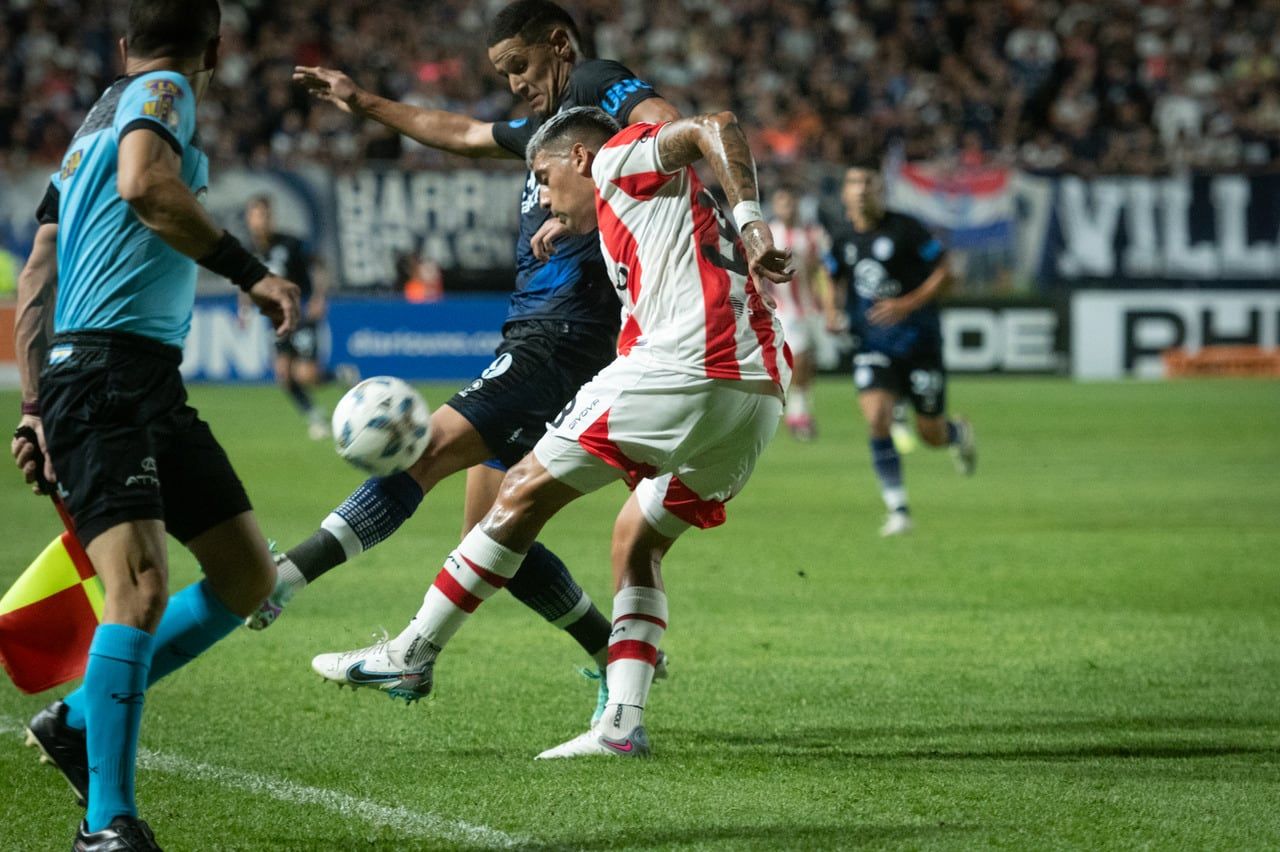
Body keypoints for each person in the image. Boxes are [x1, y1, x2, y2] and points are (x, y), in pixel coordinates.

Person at [313, 106, 792, 759]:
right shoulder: (647, 207)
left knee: (518, 491)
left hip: (686, 362)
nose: (538, 194)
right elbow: (646, 224)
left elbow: (717, 123)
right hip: (758, 392)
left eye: (543, 175)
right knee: (636, 541)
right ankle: (621, 726)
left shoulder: (623, 153)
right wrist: (573, 222)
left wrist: (754, 222)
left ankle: (412, 652)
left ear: (581, 159)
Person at [252, 0, 680, 721]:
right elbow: (462, 132)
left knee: (423, 453)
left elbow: (668, 125)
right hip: (549, 338)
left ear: (560, 45)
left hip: (560, 338)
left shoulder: (596, 89)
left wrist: (607, 194)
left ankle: (281, 580)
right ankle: (612, 652)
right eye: (503, 71)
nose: (513, 83)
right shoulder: (550, 129)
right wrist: (365, 103)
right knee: (490, 538)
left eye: (520, 65)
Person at [9, 1, 300, 849]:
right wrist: (251, 274)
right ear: (217, 47)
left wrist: (33, 406)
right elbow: (148, 187)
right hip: (104, 377)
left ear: (126, 43)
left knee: (248, 577)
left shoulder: (85, 135)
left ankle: (74, 723)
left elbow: (37, 277)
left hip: (131, 382)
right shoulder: (165, 94)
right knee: (135, 591)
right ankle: (107, 827)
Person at [823, 162, 976, 537]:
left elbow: (946, 269)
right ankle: (899, 509)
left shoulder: (906, 228)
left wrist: (907, 304)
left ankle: (957, 433)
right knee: (877, 417)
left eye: (868, 182)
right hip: (872, 344)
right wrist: (830, 309)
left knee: (930, 434)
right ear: (845, 193)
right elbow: (830, 274)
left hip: (920, 343)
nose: (861, 189)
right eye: (854, 182)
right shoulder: (842, 237)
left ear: (881, 189)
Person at [244, 194, 333, 440]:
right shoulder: (250, 251)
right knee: (283, 375)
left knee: (307, 376)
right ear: (248, 219)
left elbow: (320, 264)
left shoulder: (290, 244)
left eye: (264, 215)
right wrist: (243, 309)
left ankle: (339, 375)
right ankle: (315, 415)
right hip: (276, 318)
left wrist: (319, 297)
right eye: (255, 215)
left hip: (301, 312)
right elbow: (246, 282)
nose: (260, 221)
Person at [767, 186, 832, 441]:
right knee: (801, 356)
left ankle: (799, 409)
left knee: (810, 362)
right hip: (783, 308)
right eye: (782, 202)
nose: (788, 207)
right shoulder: (769, 234)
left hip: (810, 306)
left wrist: (829, 305)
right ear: (775, 205)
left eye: (791, 202)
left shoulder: (813, 234)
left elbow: (822, 271)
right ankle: (797, 413)